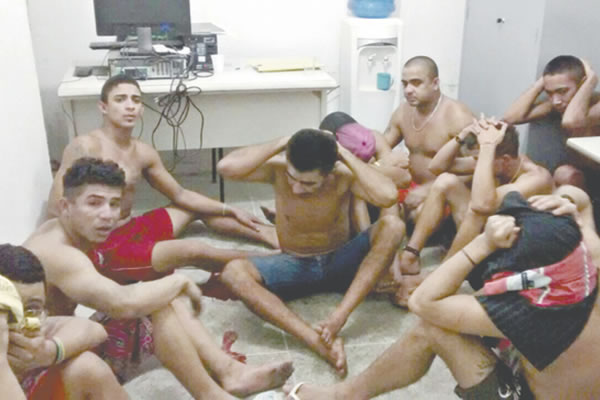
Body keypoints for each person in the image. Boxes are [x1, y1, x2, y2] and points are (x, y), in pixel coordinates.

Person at [286, 187, 600, 399]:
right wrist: (571, 202)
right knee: (463, 309)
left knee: (435, 326)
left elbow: (423, 302)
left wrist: (483, 244)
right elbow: (580, 197)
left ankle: (345, 396)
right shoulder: (584, 262)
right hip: (554, 368)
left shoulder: (537, 316)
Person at [25, 158, 293, 400]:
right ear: (65, 206)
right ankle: (214, 394)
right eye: (94, 203)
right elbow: (122, 304)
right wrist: (180, 282)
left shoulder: (65, 231)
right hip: (37, 376)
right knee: (154, 300)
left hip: (59, 346)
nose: (107, 214)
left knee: (160, 299)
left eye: (114, 204)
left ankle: (229, 372)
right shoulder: (59, 252)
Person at [46, 74, 278, 282]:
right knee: (193, 250)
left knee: (194, 206)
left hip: (131, 227)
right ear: (103, 107)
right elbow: (56, 207)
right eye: (120, 99)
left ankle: (269, 234)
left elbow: (180, 194)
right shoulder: (85, 146)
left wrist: (230, 209)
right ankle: (269, 260)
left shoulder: (143, 151)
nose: (130, 106)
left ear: (141, 109)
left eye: (136, 100)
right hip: (103, 242)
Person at [217, 129, 404, 376]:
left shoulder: (342, 176)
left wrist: (343, 153)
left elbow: (388, 195)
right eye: (293, 178)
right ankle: (316, 341)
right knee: (233, 273)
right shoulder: (278, 169)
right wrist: (283, 142)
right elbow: (225, 167)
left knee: (393, 226)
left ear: (328, 172)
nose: (296, 188)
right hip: (294, 264)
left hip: (340, 261)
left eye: (308, 183)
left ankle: (338, 318)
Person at [381, 56, 476, 285]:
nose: (408, 90)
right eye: (405, 84)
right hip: (411, 185)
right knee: (377, 191)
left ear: (435, 83)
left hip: (444, 192)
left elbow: (481, 165)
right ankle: (385, 260)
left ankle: (411, 256)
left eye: (416, 83)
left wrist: (430, 188)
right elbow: (381, 148)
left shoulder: (456, 115)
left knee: (418, 212)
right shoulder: (403, 112)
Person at [0, 244, 128, 399]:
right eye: (8, 310)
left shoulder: (36, 328)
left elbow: (94, 329)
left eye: (31, 309)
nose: (20, 321)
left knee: (87, 367)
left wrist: (50, 352)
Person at [442, 119, 553, 261]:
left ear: (505, 160)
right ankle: (414, 255)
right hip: (497, 227)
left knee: (476, 213)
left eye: (480, 158)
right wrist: (462, 135)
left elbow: (481, 205)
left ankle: (448, 268)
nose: (477, 163)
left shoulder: (535, 178)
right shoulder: (498, 162)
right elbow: (437, 166)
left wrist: (487, 147)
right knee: (445, 181)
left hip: (524, 239)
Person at [503, 55, 600, 188]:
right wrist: (541, 83)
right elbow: (511, 118)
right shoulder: (559, 104)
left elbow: (571, 121)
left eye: (562, 91)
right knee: (562, 173)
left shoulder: (596, 104)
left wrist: (590, 81)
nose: (556, 101)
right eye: (549, 93)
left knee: (564, 174)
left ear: (582, 84)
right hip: (579, 173)